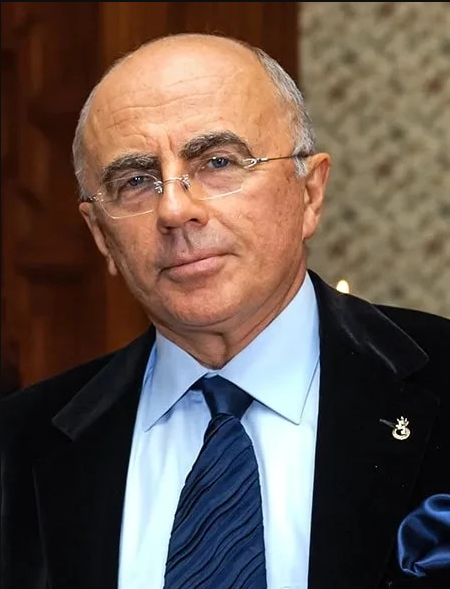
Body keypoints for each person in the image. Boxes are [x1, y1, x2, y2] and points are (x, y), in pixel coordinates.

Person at [1, 32, 449, 589]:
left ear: (309, 193)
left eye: (218, 161)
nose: (174, 209)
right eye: (136, 181)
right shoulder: (18, 446)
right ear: (99, 235)